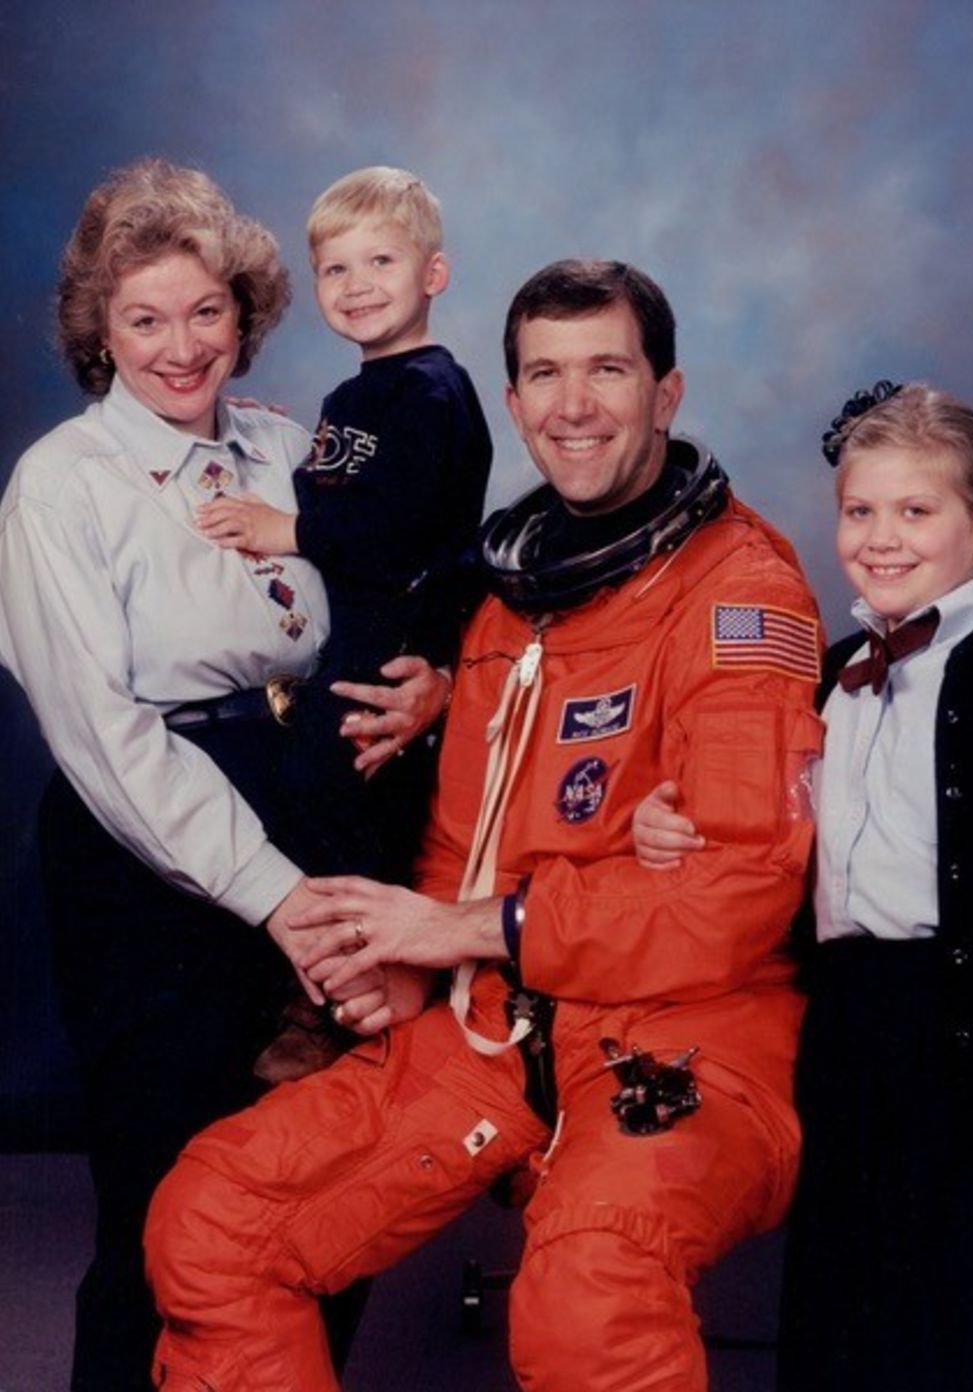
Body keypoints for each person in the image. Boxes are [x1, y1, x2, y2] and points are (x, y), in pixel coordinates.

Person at [143, 258, 825, 1392]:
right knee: (211, 1220)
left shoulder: (739, 595)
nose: (573, 405)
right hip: (493, 1026)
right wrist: (405, 966)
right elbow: (460, 850)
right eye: (544, 375)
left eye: (607, 369)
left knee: (588, 1289)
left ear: (668, 393)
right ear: (510, 404)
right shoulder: (511, 600)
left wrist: (467, 930)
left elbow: (737, 890)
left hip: (689, 1029)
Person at [0, 158, 442, 1391]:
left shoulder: (295, 447)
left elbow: (380, 604)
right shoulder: (63, 485)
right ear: (99, 332)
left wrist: (427, 682)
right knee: (170, 1207)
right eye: (143, 318)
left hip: (314, 807)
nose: (181, 346)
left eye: (206, 311)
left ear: (247, 311)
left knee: (321, 1193)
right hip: (151, 861)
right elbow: (102, 735)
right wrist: (275, 897)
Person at [633, 382, 973, 1391]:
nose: (882, 538)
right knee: (858, 1325)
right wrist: (662, 820)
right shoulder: (835, 672)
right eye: (861, 511)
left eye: (915, 511)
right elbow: (765, 830)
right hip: (851, 1040)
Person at [195, 166, 491, 888]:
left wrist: (286, 532)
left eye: (381, 261)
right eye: (335, 268)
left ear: (435, 274)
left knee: (345, 801)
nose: (356, 283)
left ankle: (357, 970)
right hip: (345, 641)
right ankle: (329, 974)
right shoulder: (353, 394)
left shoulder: (431, 392)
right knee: (306, 798)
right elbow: (333, 485)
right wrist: (263, 436)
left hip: (393, 646)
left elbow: (394, 526)